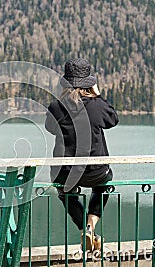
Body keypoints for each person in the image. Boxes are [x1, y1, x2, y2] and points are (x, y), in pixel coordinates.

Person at [45, 58, 119, 252]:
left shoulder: (56, 106)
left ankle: (85, 229)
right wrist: (99, 95)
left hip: (66, 172)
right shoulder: (97, 105)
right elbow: (113, 119)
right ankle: (90, 226)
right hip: (96, 170)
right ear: (88, 84)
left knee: (65, 192)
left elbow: (50, 128)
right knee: (103, 186)